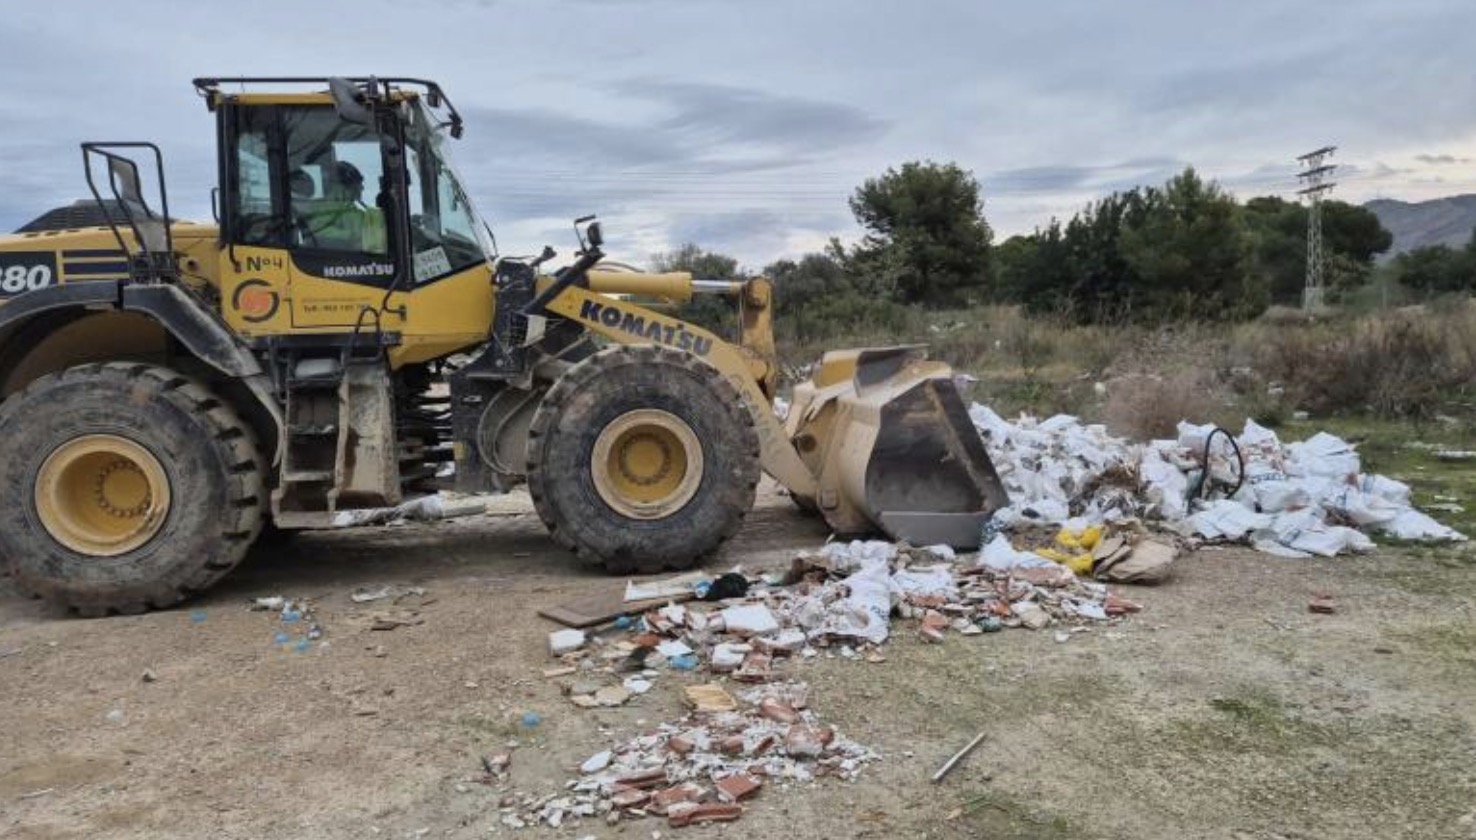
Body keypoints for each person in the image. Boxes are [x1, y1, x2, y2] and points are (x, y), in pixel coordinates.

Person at [304, 161, 386, 252]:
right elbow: (318, 233)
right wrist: (351, 237)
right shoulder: (329, 206)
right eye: (359, 183)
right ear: (349, 184)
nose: (362, 188)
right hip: (344, 262)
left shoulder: (350, 209)